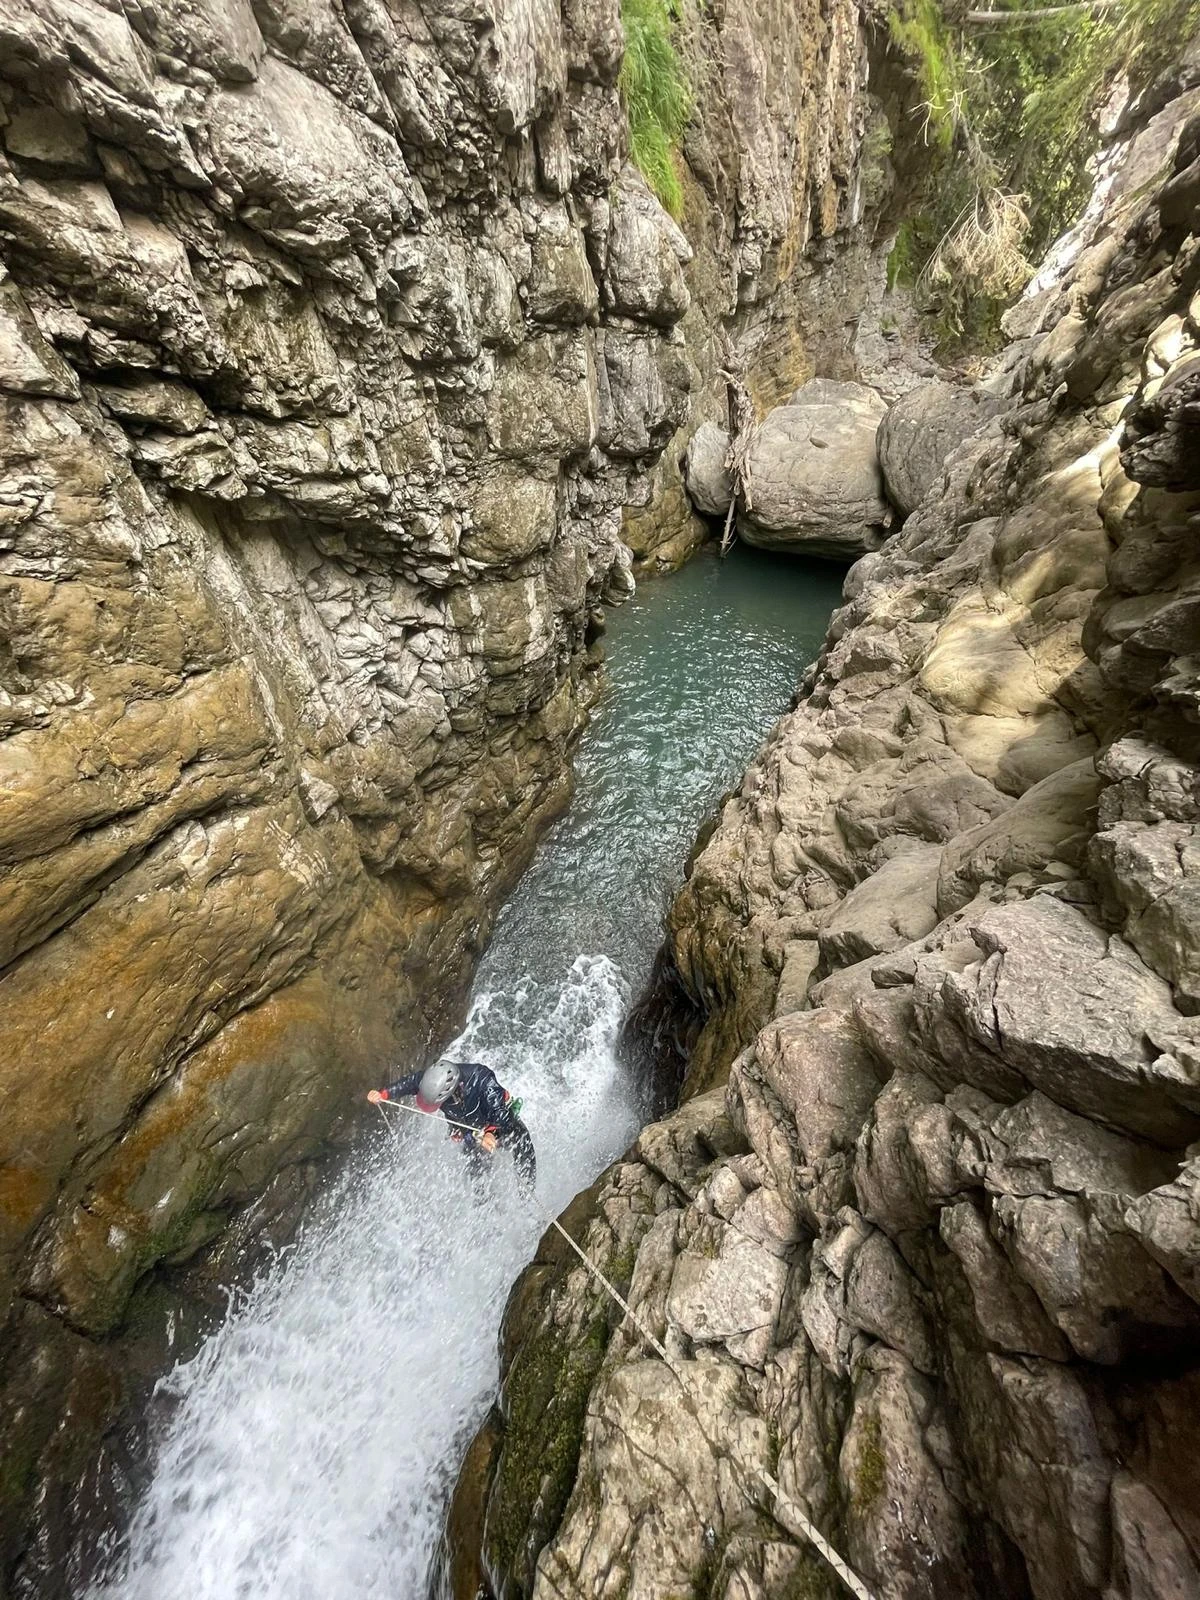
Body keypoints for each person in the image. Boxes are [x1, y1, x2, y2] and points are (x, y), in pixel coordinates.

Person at [367, 1060, 536, 1191]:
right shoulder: (432, 1078)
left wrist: (491, 1133)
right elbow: (410, 1083)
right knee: (478, 1178)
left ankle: (526, 1199)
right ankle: (486, 1208)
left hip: (502, 1127)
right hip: (470, 1132)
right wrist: (383, 1094)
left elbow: (500, 1112)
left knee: (523, 1149)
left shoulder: (482, 1078)